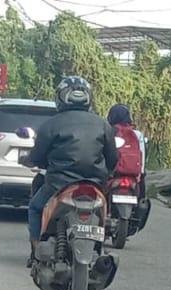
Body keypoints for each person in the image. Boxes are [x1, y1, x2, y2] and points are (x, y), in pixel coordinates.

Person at [26, 76, 119, 265]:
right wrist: (105, 175)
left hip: (58, 185)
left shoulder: (51, 124)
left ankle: (36, 250)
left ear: (60, 98)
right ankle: (98, 248)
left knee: (35, 208)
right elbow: (113, 159)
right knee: (104, 213)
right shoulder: (103, 124)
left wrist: (32, 161)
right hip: (95, 186)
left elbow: (37, 157)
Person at [107, 104, 149, 208]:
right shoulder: (137, 134)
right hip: (133, 175)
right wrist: (141, 174)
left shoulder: (108, 132)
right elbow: (142, 155)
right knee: (142, 199)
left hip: (114, 174)